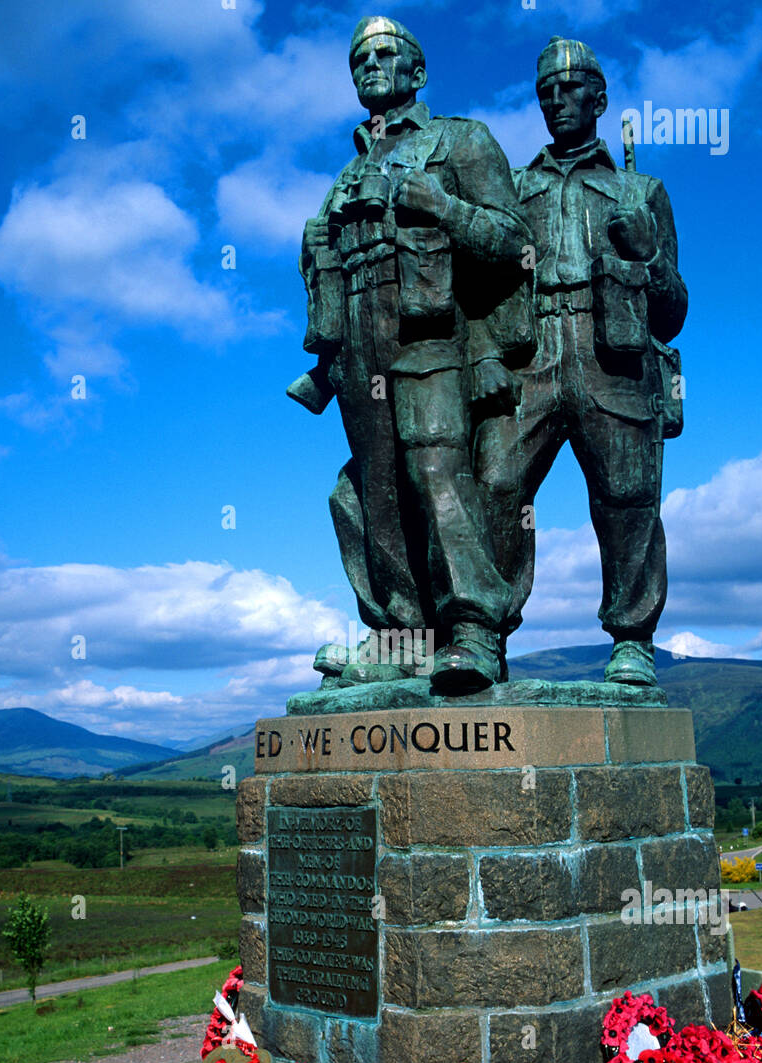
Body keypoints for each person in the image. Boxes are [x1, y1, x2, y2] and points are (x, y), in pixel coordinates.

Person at [289, 16, 532, 692]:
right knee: (375, 490)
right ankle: (401, 635)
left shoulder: (459, 140)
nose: (370, 65)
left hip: (431, 335)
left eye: (384, 54)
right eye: (358, 58)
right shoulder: (345, 174)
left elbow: (515, 244)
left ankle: (473, 629)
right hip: (356, 348)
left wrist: (443, 207)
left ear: (416, 71)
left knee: (435, 472)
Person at [474, 36, 687, 685]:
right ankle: (484, 633)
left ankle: (631, 640)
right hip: (531, 348)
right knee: (496, 484)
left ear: (598, 97)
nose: (555, 101)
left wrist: (647, 256)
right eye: (544, 93)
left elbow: (673, 309)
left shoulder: (640, 189)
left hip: (612, 354)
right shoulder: (512, 186)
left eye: (568, 90)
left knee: (626, 497)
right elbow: (482, 287)